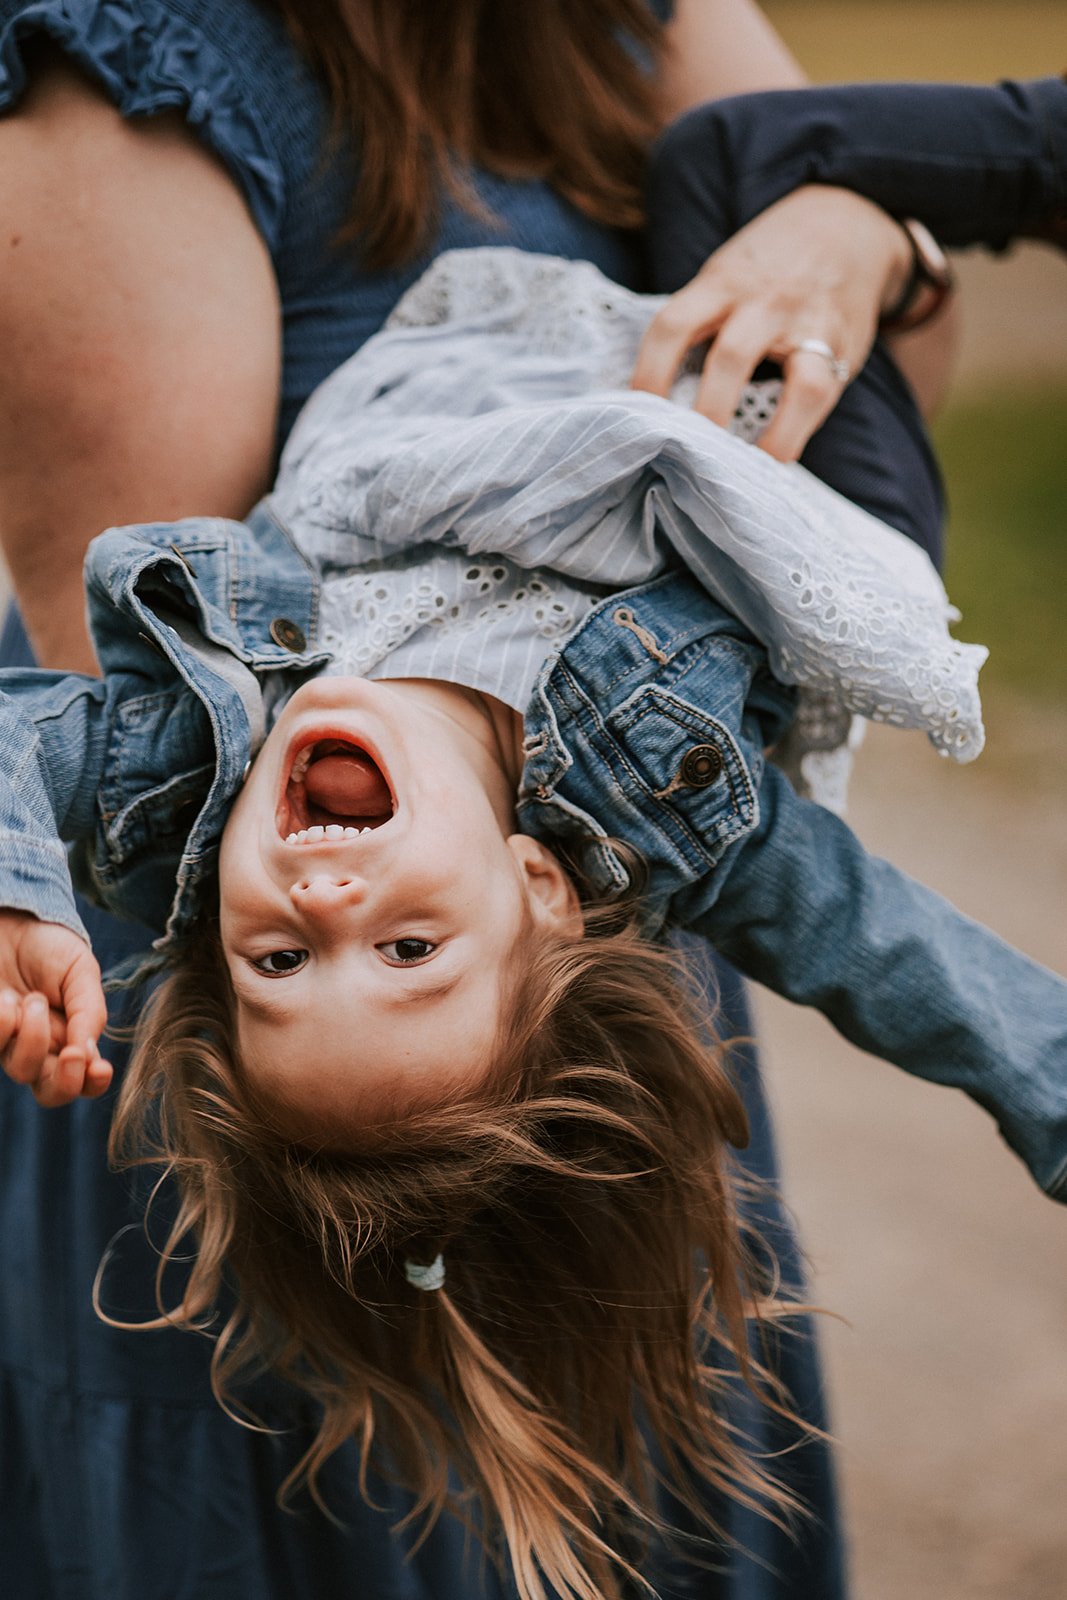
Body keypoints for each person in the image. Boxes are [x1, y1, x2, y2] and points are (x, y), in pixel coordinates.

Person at [2, 76, 1067, 1600]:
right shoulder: (671, 813)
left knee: (724, 165)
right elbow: (906, 963)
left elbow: (18, 737)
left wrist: (24, 889)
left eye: (279, 963)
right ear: (540, 889)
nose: (327, 895)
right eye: (410, 948)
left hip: (555, 370)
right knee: (751, 163)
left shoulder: (192, 748)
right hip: (793, 475)